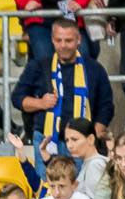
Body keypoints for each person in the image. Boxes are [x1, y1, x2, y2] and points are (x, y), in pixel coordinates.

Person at [12, 19, 115, 163]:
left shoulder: (94, 69)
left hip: (83, 141)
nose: (63, 45)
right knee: (46, 179)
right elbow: (17, 98)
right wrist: (41, 103)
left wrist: (94, 135)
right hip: (46, 140)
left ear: (78, 40)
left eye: (68, 40)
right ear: (52, 40)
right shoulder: (38, 66)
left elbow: (106, 106)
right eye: (58, 40)